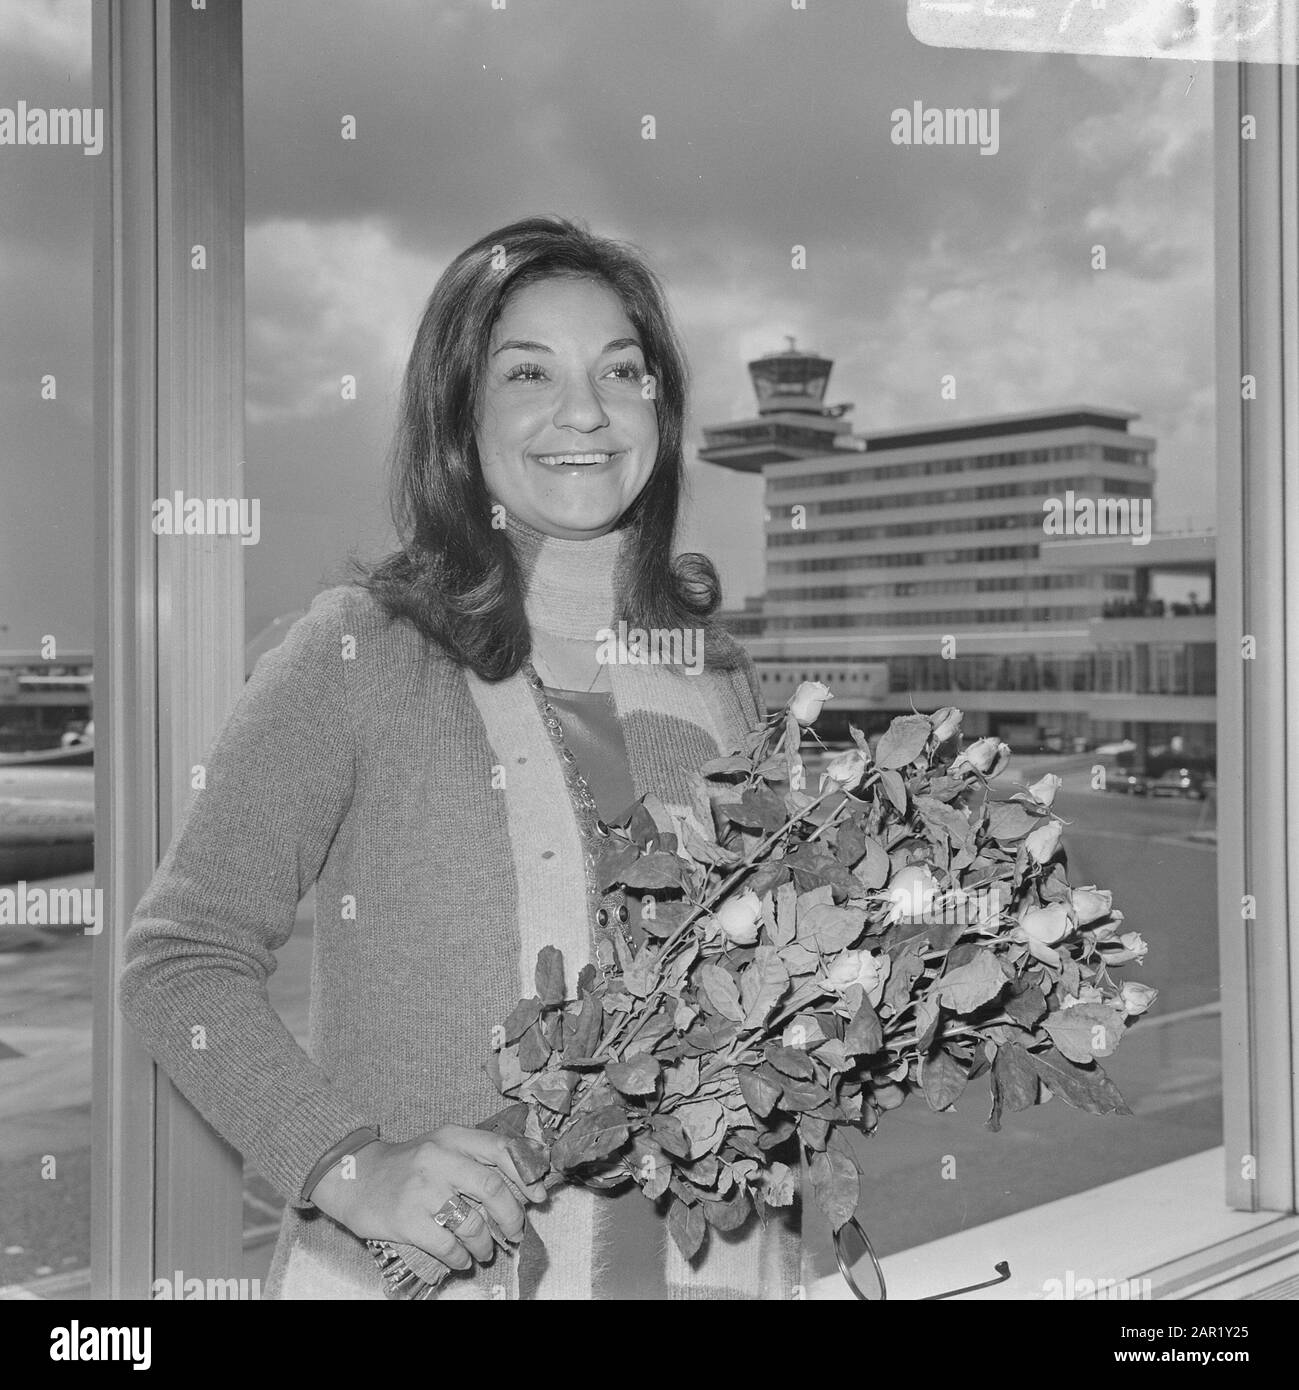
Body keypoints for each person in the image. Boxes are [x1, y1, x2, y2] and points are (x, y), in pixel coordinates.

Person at [120, 215, 801, 1300]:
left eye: (623, 371)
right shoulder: (361, 651)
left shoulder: (715, 674)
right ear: (459, 412)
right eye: (528, 371)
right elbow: (177, 962)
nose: (586, 409)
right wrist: (345, 1163)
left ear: (659, 411)